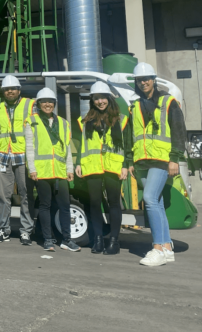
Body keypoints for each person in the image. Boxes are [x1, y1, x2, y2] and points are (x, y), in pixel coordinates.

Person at [129, 62, 187, 267]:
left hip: (162, 159)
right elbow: (130, 135)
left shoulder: (168, 102)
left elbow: (179, 131)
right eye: (139, 80)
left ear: (153, 80)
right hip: (141, 161)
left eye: (146, 79)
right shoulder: (134, 105)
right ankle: (167, 248)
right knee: (158, 202)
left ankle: (157, 248)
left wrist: (175, 158)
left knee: (149, 198)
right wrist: (130, 162)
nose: (143, 82)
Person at [75, 81, 132, 254]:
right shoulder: (85, 121)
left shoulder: (122, 119)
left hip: (113, 166)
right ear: (92, 100)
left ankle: (114, 241)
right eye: (96, 98)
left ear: (109, 98)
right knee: (94, 203)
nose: (100, 101)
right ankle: (98, 239)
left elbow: (128, 145)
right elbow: (81, 145)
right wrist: (78, 162)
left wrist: (125, 165)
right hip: (92, 166)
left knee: (114, 203)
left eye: (103, 98)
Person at [25, 87, 79, 252]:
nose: (47, 104)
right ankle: (48, 239)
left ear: (54, 104)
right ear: (39, 104)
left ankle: (66, 240)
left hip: (60, 170)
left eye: (50, 102)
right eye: (44, 102)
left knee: (64, 205)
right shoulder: (31, 121)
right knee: (45, 205)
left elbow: (67, 149)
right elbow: (29, 147)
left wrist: (69, 168)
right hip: (42, 170)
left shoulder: (63, 123)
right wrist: (32, 168)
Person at [0, 75, 36, 245]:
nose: (10, 91)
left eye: (13, 88)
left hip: (23, 157)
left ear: (19, 90)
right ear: (3, 91)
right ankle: (3, 229)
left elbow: (37, 130)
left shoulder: (31, 105)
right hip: (2, 156)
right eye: (7, 89)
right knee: (3, 195)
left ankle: (26, 231)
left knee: (26, 194)